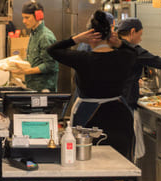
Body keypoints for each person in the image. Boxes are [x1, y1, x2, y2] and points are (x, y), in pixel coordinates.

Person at [47, 10, 138, 159]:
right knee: (119, 163)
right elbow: (134, 53)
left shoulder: (83, 58)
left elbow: (52, 50)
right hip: (119, 115)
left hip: (88, 116)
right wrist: (120, 43)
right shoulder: (123, 56)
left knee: (88, 161)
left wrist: (76, 39)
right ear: (110, 36)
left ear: (90, 36)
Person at [116, 17, 161, 160]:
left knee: (117, 146)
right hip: (125, 104)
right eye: (140, 34)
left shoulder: (113, 46)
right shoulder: (132, 49)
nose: (140, 39)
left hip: (111, 103)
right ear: (132, 32)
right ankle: (129, 179)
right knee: (128, 148)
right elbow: (155, 61)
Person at [15, 0, 59, 92]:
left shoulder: (45, 37)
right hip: (33, 86)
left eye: (27, 18)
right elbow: (34, 59)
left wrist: (27, 71)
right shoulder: (33, 33)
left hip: (43, 88)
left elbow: (50, 65)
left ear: (38, 16)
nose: (24, 21)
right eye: (23, 18)